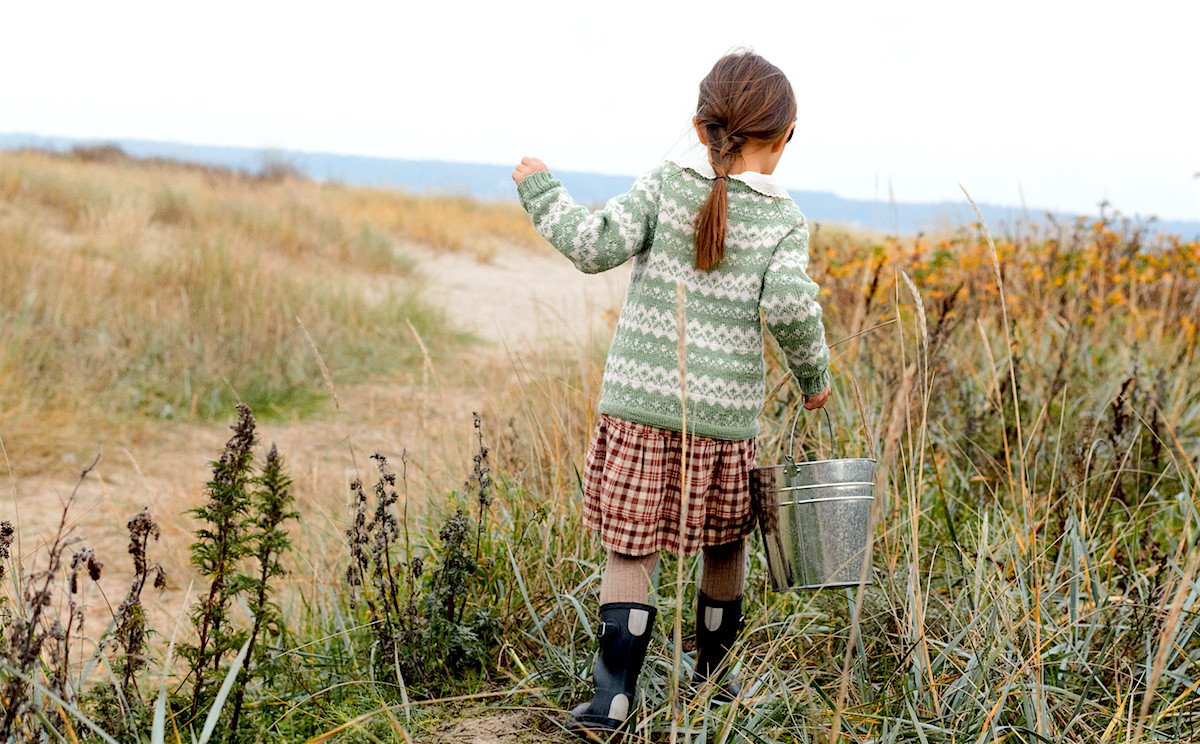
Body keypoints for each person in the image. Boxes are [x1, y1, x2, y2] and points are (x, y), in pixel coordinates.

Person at [512, 50, 831, 739]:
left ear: (699, 124)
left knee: (630, 549)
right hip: (723, 422)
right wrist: (815, 381)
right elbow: (793, 310)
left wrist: (542, 191)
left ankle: (611, 705)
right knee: (725, 547)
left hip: (639, 412)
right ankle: (715, 686)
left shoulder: (663, 184)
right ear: (788, 136)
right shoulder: (785, 220)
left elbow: (594, 245)